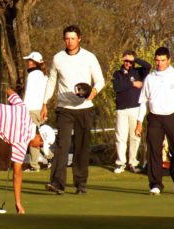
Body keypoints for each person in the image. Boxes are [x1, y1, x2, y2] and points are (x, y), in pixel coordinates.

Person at [41, 25, 105, 195]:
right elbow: (51, 82)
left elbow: (100, 81)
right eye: (66, 38)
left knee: (82, 148)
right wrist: (44, 103)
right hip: (64, 109)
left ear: (79, 39)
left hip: (85, 109)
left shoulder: (89, 57)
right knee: (62, 146)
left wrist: (93, 92)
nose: (69, 42)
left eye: (73, 38)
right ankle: (57, 184)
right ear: (64, 39)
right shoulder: (58, 58)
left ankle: (80, 184)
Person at [135, 46, 174, 196]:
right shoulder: (150, 78)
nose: (160, 63)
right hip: (155, 118)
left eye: (163, 60)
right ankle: (155, 184)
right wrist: (138, 123)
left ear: (169, 60)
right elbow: (143, 102)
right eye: (157, 60)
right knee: (154, 151)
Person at [113, 50, 151, 174]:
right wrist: (133, 83)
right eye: (126, 61)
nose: (128, 64)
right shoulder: (117, 74)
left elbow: (148, 66)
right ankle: (120, 163)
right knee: (121, 137)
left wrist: (134, 59)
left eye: (130, 61)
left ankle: (133, 163)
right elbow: (117, 87)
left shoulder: (139, 72)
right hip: (121, 109)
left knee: (135, 137)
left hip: (135, 109)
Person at [22, 51, 48, 172]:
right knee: (39, 137)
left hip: (31, 109)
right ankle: (51, 157)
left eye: (29, 61)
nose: (28, 63)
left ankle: (34, 166)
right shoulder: (44, 75)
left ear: (34, 63)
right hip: (40, 109)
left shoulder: (32, 75)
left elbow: (28, 94)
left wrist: (23, 108)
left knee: (33, 138)